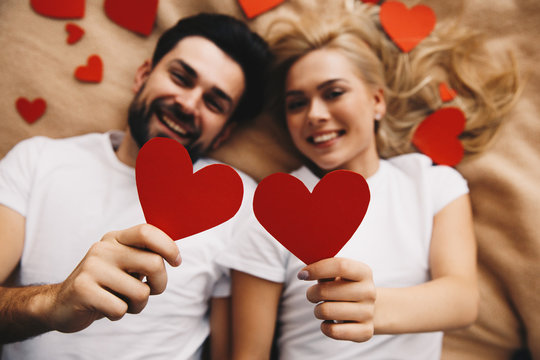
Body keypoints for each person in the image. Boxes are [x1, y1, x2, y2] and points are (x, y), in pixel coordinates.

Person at [217, 3, 520, 360]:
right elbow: (248, 354)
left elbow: (462, 300)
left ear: (377, 101)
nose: (314, 114)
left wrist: (372, 307)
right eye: (296, 103)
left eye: (333, 93)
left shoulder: (433, 186)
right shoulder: (273, 211)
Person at [0, 13, 271, 359]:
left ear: (225, 133)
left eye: (214, 103)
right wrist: (51, 303)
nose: (188, 104)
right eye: (181, 77)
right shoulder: (37, 161)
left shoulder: (238, 201)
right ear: (143, 76)